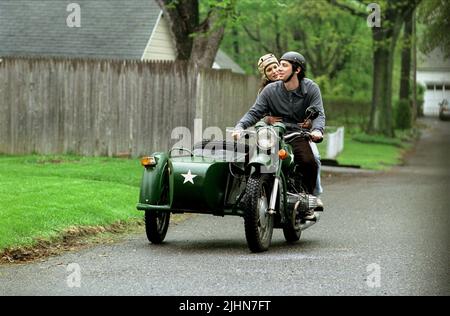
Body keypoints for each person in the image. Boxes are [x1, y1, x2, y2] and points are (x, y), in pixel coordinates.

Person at [234, 51, 325, 220]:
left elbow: (319, 114)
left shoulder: (311, 88)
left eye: (283, 65)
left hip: (297, 134)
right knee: (247, 158)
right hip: (270, 135)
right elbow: (255, 112)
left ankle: (309, 198)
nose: (278, 70)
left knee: (308, 161)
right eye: (275, 67)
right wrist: (240, 126)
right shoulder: (269, 90)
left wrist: (317, 130)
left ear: (297, 70)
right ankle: (250, 197)